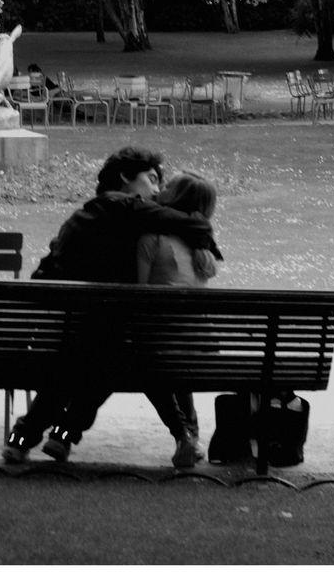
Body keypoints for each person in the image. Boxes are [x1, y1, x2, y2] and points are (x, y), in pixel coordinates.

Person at [2, 147, 221, 468]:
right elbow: (196, 226)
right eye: (151, 179)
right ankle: (63, 434)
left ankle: (26, 439)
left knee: (100, 358)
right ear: (125, 179)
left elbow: (46, 272)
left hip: (67, 333)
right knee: (112, 360)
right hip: (99, 335)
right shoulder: (124, 207)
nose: (157, 190)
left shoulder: (82, 217)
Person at [135, 171, 219, 463]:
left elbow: (139, 296)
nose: (161, 186)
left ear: (175, 198)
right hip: (202, 347)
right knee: (175, 363)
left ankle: (185, 435)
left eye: (168, 185)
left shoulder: (152, 237)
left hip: (164, 344)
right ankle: (190, 438)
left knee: (146, 363)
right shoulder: (201, 246)